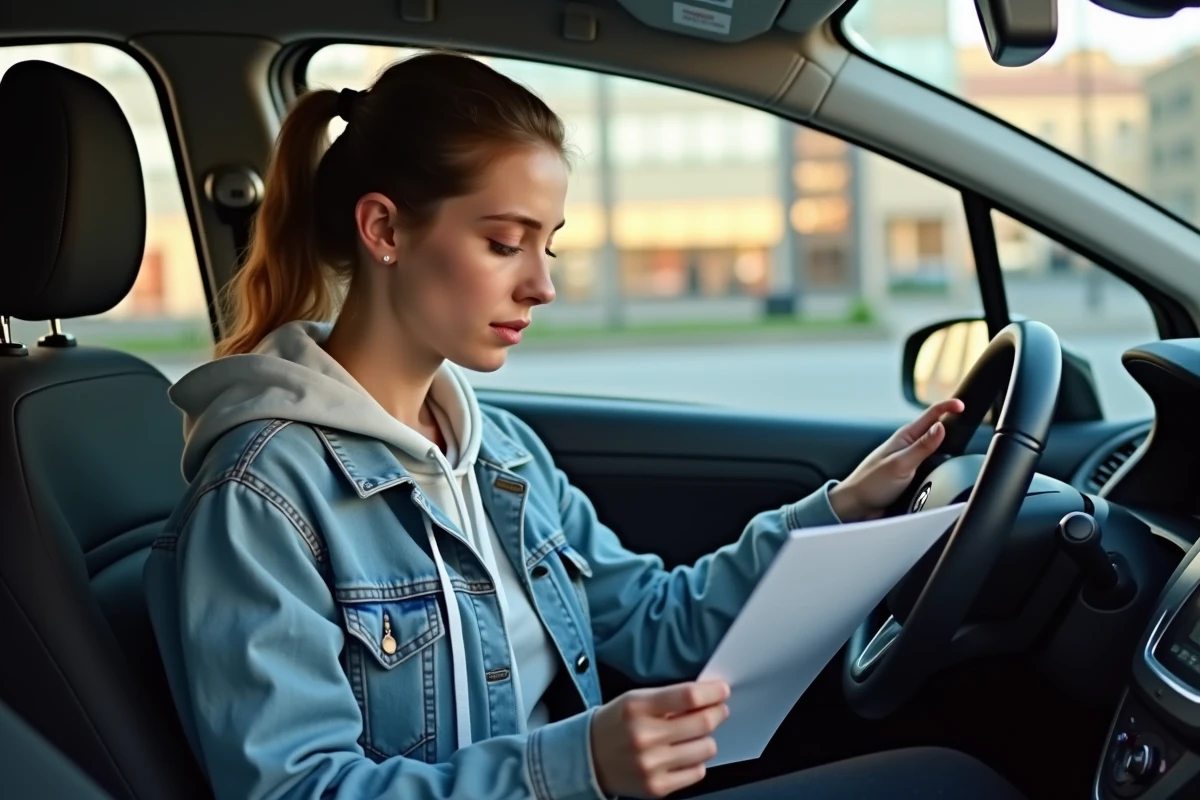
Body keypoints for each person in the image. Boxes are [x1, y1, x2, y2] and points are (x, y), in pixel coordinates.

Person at [144, 52, 1022, 800]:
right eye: (503, 242)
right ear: (384, 229)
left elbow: (655, 621)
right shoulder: (262, 497)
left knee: (953, 773)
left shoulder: (501, 455)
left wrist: (840, 511)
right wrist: (575, 764)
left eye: (548, 243)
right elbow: (299, 788)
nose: (542, 285)